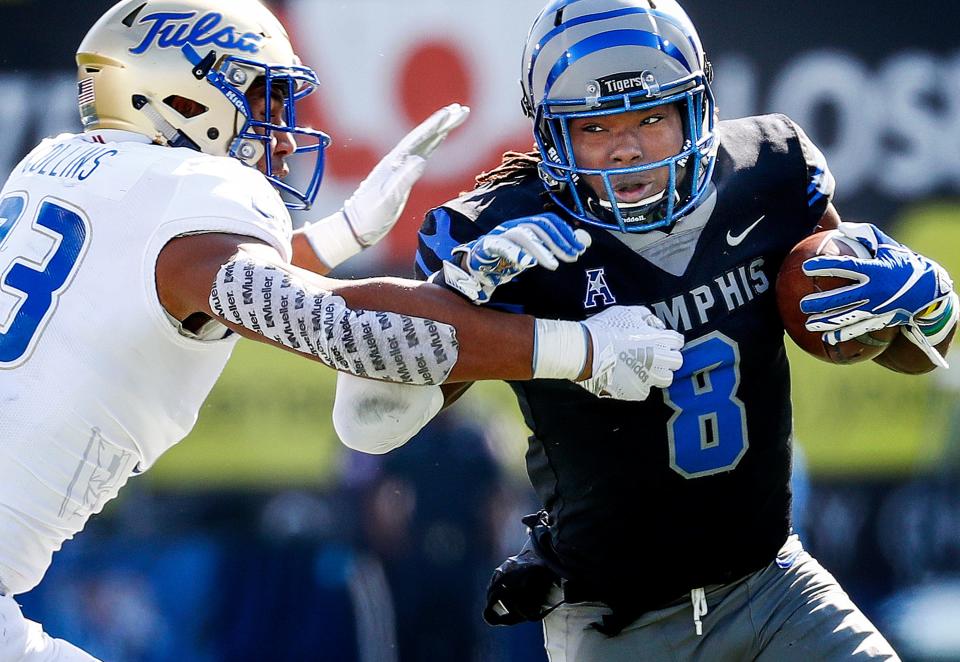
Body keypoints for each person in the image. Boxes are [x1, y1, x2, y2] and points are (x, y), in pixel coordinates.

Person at [0, 1, 690, 659]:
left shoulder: (55, 169)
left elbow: (190, 279)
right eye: (261, 98)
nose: (276, 127)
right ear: (173, 96)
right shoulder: (190, 199)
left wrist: (346, 232)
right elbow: (349, 333)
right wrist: (581, 348)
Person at [332, 0, 958, 659]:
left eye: (651, 116)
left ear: (695, 109)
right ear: (552, 135)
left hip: (774, 585)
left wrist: (929, 309)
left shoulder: (768, 172)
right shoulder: (503, 234)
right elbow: (375, 424)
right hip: (617, 620)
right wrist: (463, 289)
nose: (625, 146)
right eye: (595, 125)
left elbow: (900, 345)